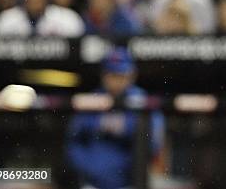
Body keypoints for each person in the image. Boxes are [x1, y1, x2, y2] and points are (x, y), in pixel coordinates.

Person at [66, 47, 165, 189]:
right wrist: (90, 167)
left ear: (132, 75)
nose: (117, 81)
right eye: (112, 75)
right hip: (92, 184)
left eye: (121, 75)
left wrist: (124, 167)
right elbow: (73, 142)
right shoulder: (91, 100)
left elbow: (153, 145)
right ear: (104, 75)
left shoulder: (143, 102)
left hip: (129, 183)